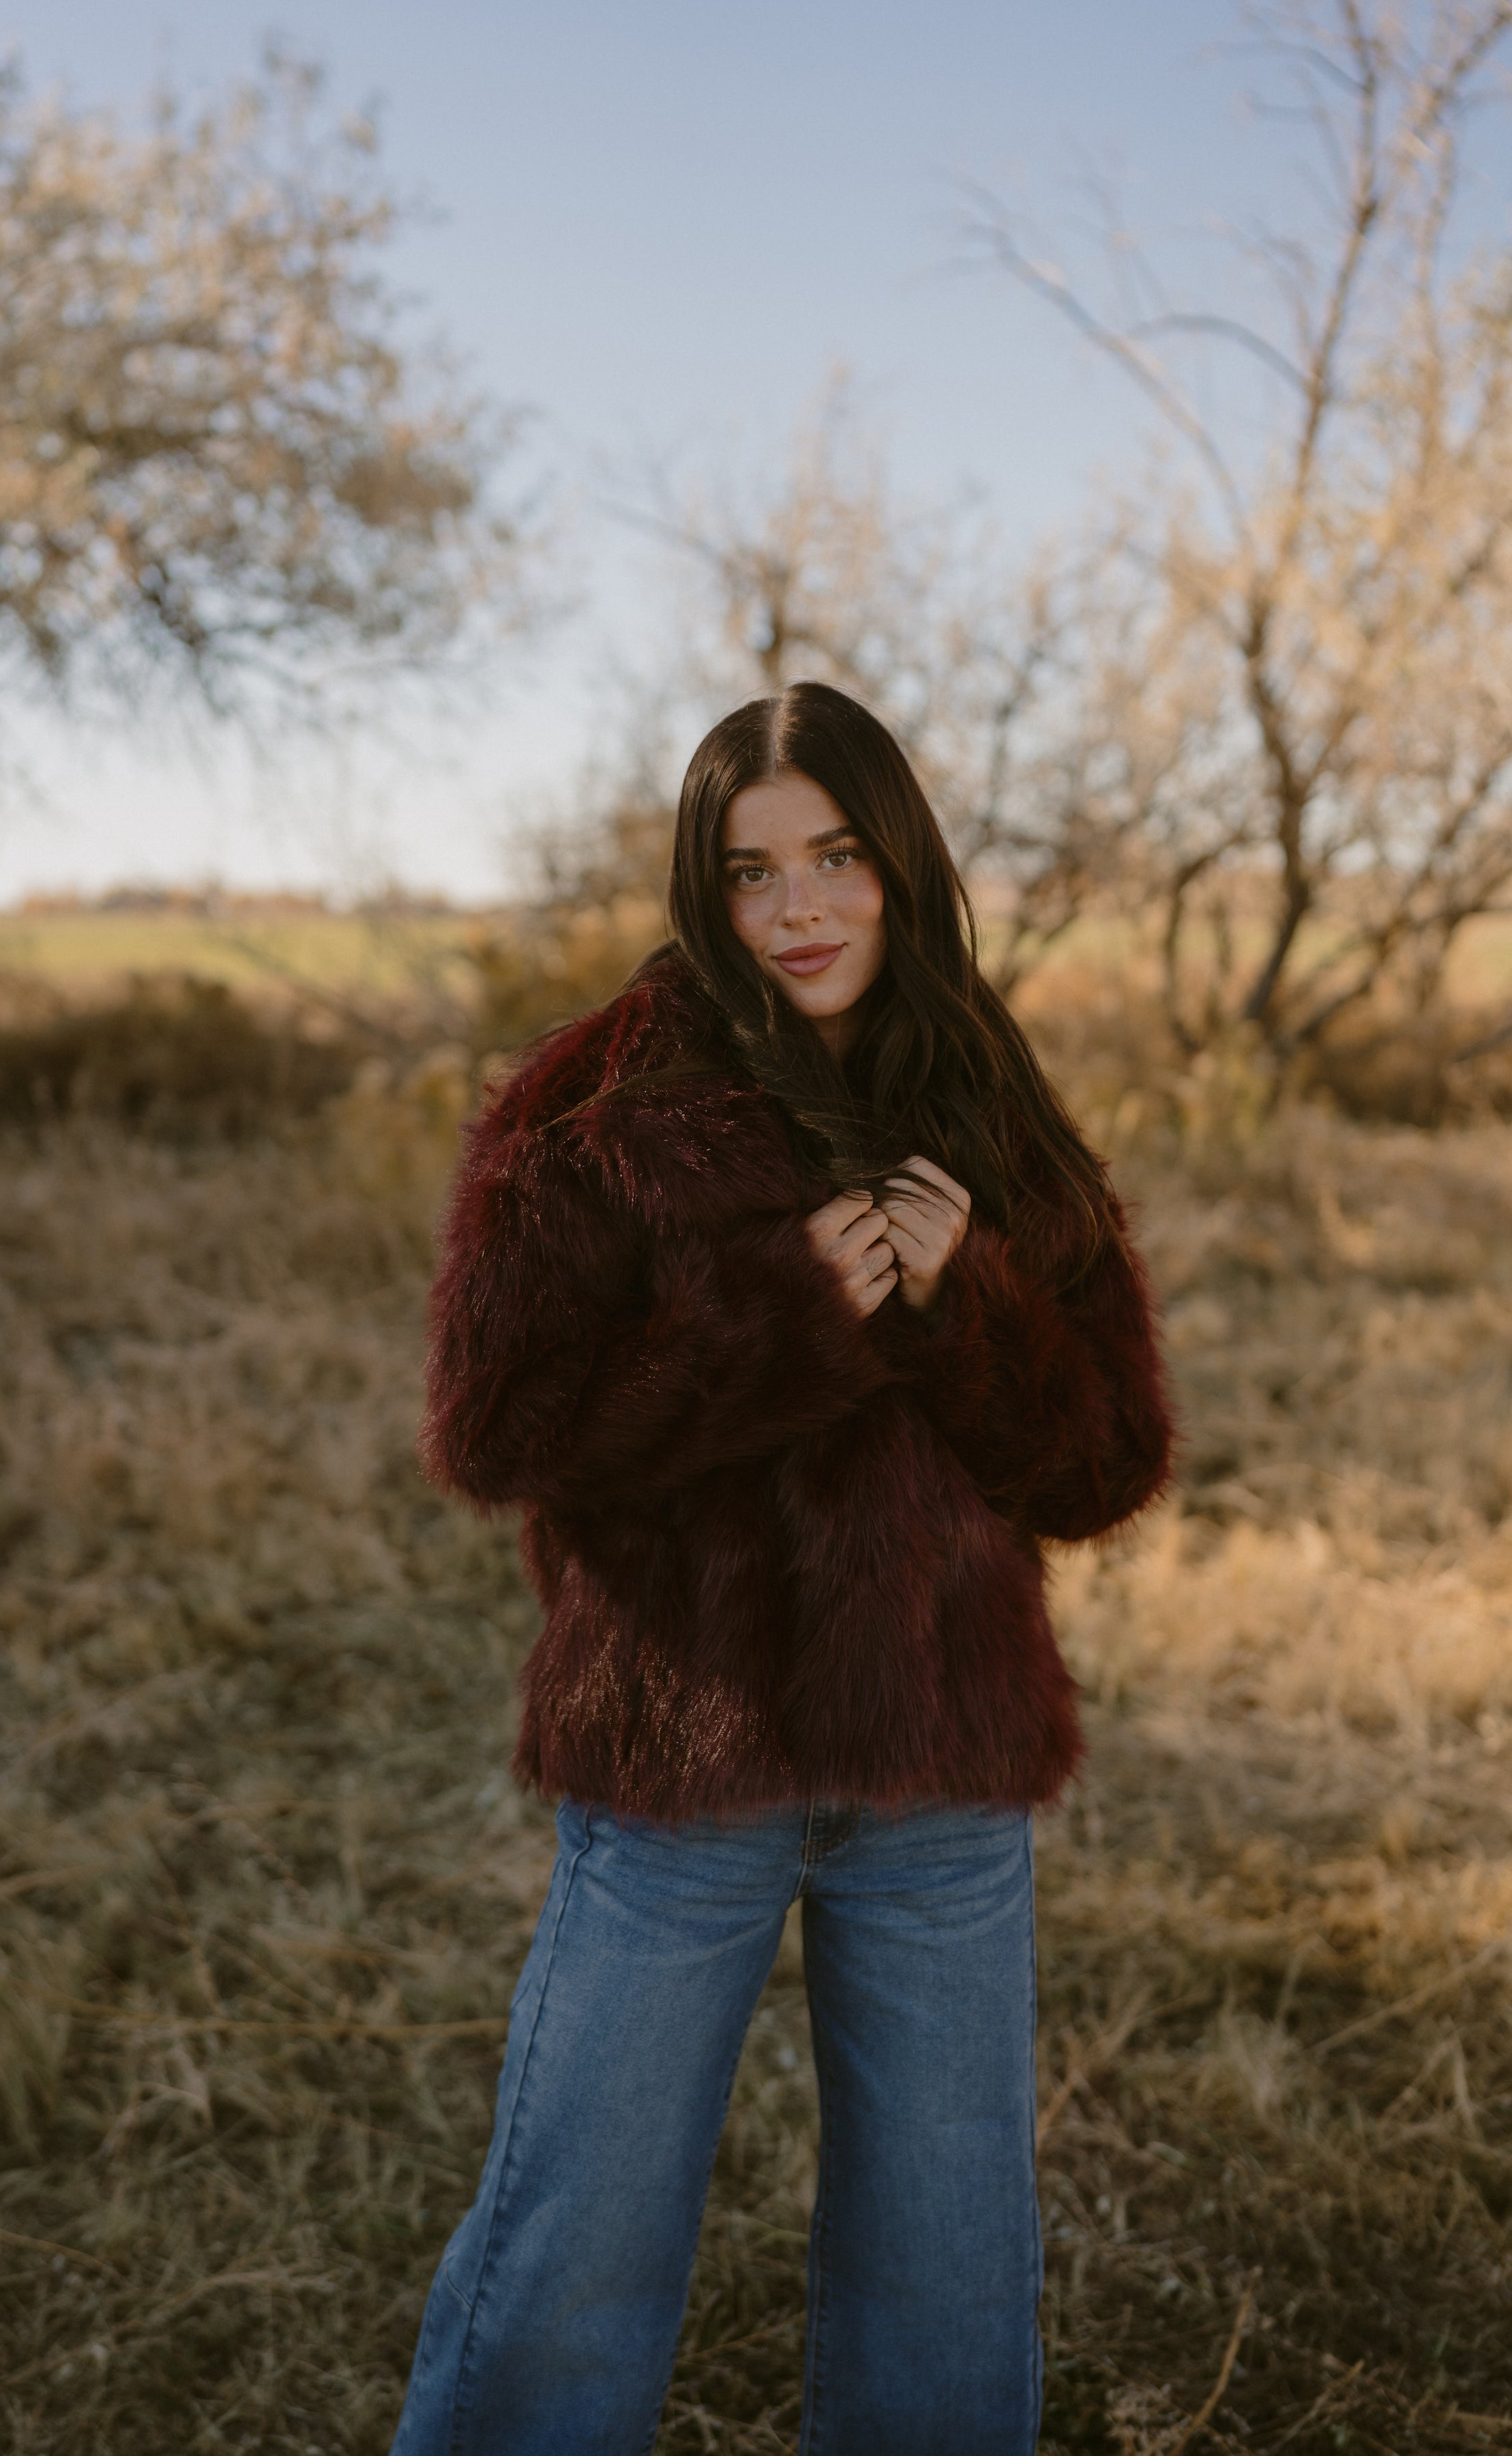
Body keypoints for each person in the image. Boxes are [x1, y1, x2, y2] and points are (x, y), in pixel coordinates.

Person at [388, 680, 1173, 2456]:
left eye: (836, 858)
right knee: (576, 2243)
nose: (800, 909)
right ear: (703, 888)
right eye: (752, 874)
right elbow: (494, 1427)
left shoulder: (990, 1100)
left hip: (942, 1777)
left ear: (901, 864)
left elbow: (1106, 1461)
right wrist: (781, 1316)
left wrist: (964, 1310)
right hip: (687, 1767)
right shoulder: (597, 1103)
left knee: (946, 2273)